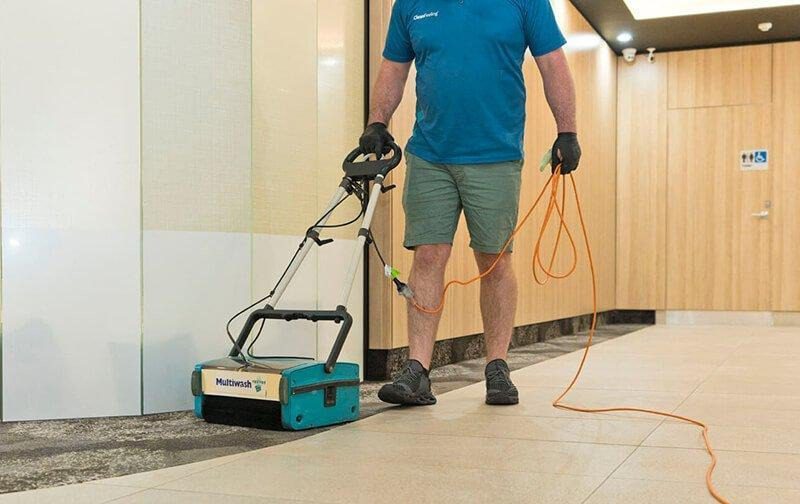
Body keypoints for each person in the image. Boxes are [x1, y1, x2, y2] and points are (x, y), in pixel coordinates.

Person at [360, 0, 581, 406]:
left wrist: (567, 131)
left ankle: (497, 366)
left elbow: (552, 64)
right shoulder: (410, 4)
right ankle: (417, 369)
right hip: (430, 153)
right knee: (428, 255)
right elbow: (394, 67)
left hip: (495, 154)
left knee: (493, 260)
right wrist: (377, 121)